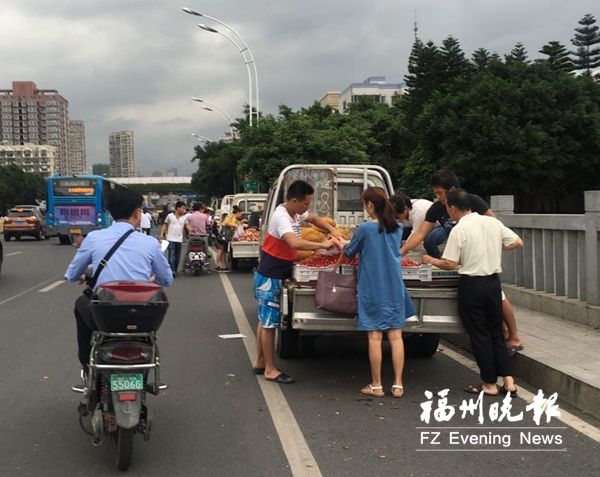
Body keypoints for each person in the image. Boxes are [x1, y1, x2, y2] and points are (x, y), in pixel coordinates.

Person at [400, 170, 524, 354]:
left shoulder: (471, 201)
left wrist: (487, 247)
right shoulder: (437, 208)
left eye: (440, 193)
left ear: (452, 189)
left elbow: (493, 224)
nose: (438, 197)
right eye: (436, 193)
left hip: (478, 260)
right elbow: (420, 233)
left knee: (499, 296)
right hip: (459, 260)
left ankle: (514, 336)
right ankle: (500, 335)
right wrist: (400, 253)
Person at [422, 189, 523, 396]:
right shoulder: (492, 223)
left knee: (480, 334)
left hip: (472, 286)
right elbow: (517, 242)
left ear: (452, 207)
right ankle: (509, 382)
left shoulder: (460, 229)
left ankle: (489, 384)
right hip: (493, 284)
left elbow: (450, 263)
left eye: (447, 207)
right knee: (496, 332)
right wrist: (492, 248)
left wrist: (432, 261)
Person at [65, 187, 173, 381]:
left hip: (105, 315)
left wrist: (82, 276)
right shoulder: (150, 243)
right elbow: (166, 279)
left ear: (110, 212)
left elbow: (72, 274)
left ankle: (87, 365)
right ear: (137, 212)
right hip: (142, 314)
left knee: (80, 303)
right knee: (148, 334)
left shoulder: (94, 238)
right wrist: (150, 280)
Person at [253, 180, 341, 384]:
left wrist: (333, 231)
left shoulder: (295, 212)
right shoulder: (281, 216)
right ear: (293, 200)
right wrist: (321, 245)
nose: (307, 208)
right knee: (269, 324)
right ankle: (270, 369)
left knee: (264, 320)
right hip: (270, 276)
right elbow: (293, 242)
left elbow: (315, 219)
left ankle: (259, 362)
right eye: (305, 203)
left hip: (277, 272)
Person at [334, 187, 416, 398]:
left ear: (370, 205)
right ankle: (398, 385)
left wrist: (340, 243)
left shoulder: (365, 229)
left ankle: (377, 385)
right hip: (395, 286)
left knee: (375, 336)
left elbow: (350, 252)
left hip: (372, 286)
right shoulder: (397, 227)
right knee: (396, 336)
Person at [159, 201, 187, 276]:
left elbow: (187, 226)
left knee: (177, 257)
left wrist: (192, 230)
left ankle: (175, 269)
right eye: (183, 208)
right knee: (171, 255)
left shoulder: (184, 218)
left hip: (179, 240)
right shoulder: (170, 216)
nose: (184, 210)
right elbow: (165, 225)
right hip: (170, 239)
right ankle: (172, 271)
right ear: (177, 208)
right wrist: (161, 234)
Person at [216, 205, 243, 272]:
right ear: (238, 212)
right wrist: (236, 225)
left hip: (228, 236)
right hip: (224, 235)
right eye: (241, 214)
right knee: (221, 249)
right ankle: (218, 265)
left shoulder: (235, 218)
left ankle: (223, 266)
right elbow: (226, 223)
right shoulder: (230, 216)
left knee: (224, 251)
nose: (241, 216)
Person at [185, 202, 211, 269]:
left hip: (192, 237)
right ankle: (208, 268)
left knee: (187, 252)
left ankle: (184, 267)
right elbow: (209, 225)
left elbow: (186, 226)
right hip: (202, 237)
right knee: (206, 252)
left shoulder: (189, 217)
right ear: (200, 209)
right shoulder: (204, 216)